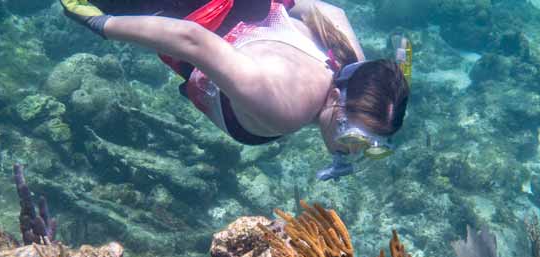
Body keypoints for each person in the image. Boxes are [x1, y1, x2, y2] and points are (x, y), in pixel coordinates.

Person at [59, 0, 411, 181]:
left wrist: (341, 141)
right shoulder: (286, 109)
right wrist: (102, 24)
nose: (355, 153)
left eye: (374, 146)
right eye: (355, 140)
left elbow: (324, 8)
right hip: (185, 8)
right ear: (336, 99)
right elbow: (192, 40)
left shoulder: (350, 63)